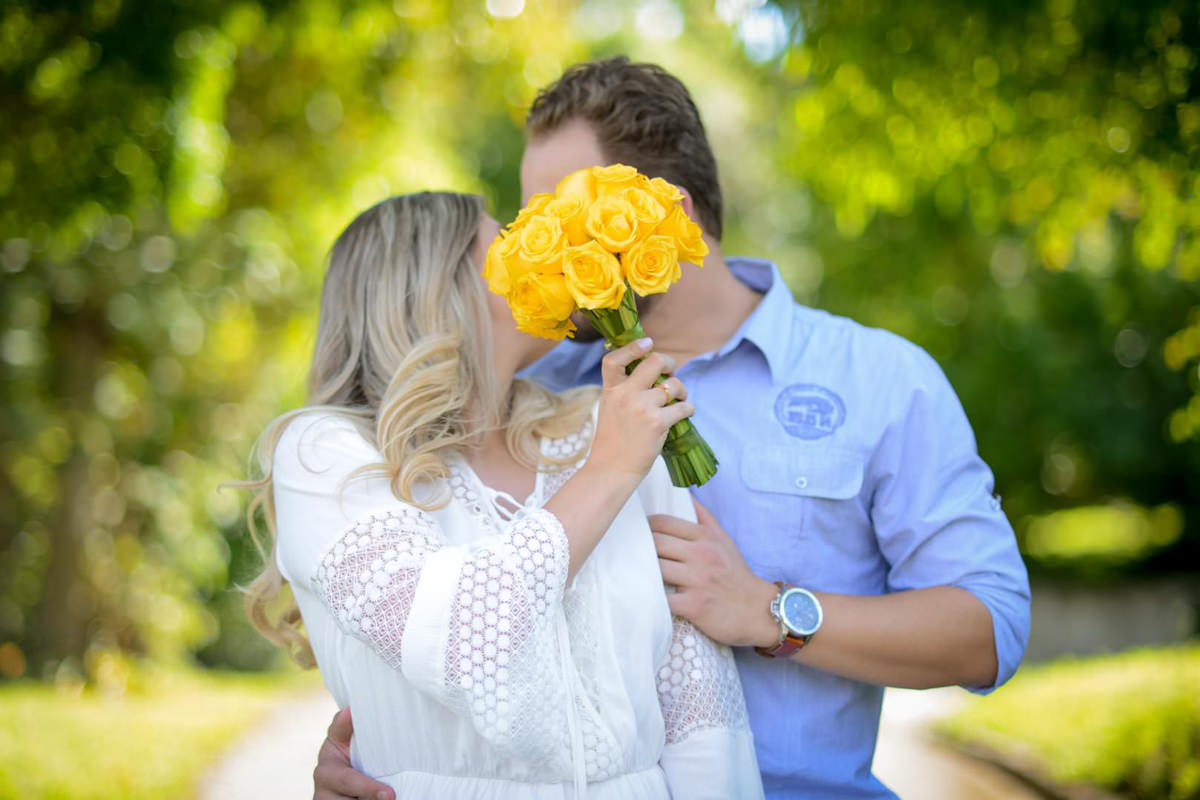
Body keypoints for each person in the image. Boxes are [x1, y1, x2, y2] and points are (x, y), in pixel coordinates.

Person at [312, 58, 1032, 800]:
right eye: (527, 224)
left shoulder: (881, 380)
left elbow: (989, 630)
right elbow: (433, 612)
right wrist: (373, 757)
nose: (534, 251)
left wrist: (769, 612)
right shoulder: (519, 396)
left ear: (668, 216)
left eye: (561, 219)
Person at [240, 191, 765, 798]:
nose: (545, 260)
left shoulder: (606, 430)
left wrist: (615, 458)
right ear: (435, 287)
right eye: (505, 248)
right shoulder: (326, 454)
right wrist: (610, 471)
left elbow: (700, 713)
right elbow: (460, 643)